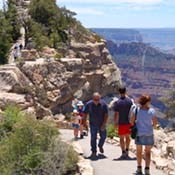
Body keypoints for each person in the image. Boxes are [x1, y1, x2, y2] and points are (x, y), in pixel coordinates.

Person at [130, 94, 157, 175]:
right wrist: (150, 126)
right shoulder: (152, 111)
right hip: (149, 133)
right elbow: (155, 123)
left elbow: (131, 121)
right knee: (148, 152)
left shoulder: (136, 110)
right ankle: (147, 169)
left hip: (139, 133)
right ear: (147, 102)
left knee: (139, 152)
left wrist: (137, 123)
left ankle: (139, 168)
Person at [84, 92, 108, 158]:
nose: (96, 101)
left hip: (101, 123)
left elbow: (106, 115)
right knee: (93, 138)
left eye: (98, 100)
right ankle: (93, 151)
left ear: (100, 98)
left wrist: (104, 124)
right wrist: (84, 123)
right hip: (93, 124)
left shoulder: (103, 104)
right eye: (95, 100)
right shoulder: (89, 104)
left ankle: (100, 145)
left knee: (103, 136)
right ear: (92, 99)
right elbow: (85, 114)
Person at [113, 86, 133, 159]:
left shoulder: (117, 102)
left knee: (121, 138)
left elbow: (116, 114)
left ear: (119, 92)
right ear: (125, 91)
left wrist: (115, 122)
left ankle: (123, 152)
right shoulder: (130, 101)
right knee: (128, 137)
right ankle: (127, 150)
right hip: (129, 122)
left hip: (121, 122)